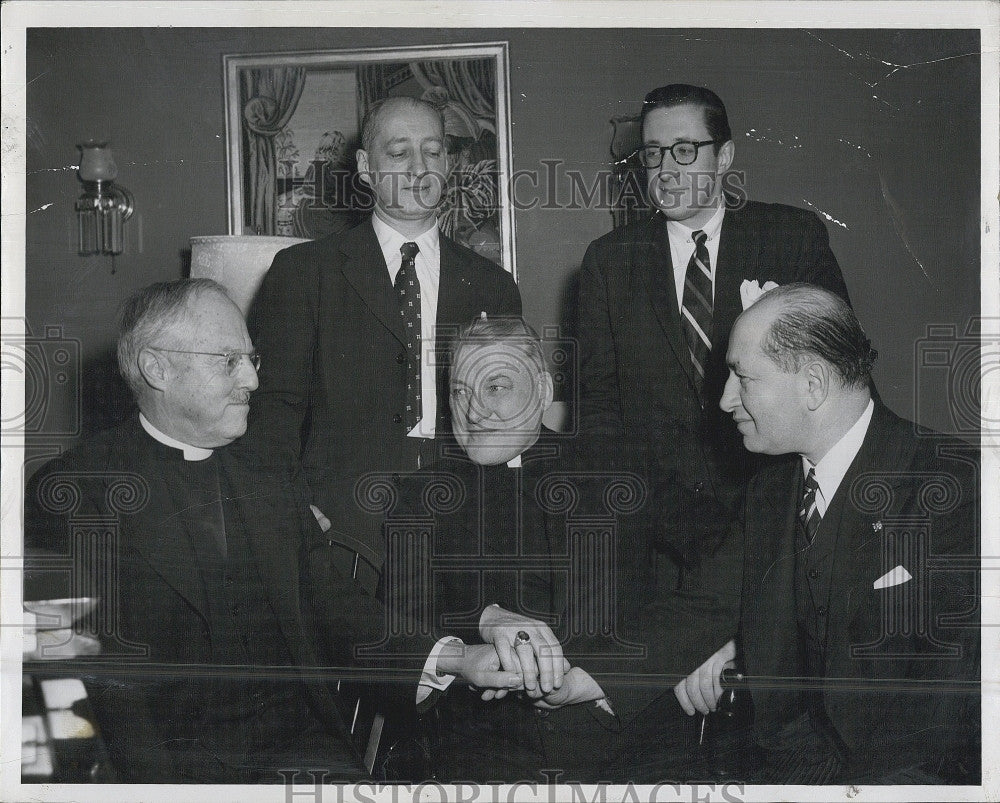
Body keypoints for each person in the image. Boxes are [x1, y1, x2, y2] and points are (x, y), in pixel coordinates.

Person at [23, 279, 525, 783]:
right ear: (158, 369)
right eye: (228, 361)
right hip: (161, 771)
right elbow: (70, 686)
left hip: (302, 754)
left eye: (252, 359)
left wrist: (458, 658)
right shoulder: (72, 492)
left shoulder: (266, 467)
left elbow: (333, 603)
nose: (253, 381)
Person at [391, 316, 740, 782]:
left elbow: (738, 558)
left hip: (634, 749)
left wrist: (720, 640)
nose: (473, 411)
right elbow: (390, 621)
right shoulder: (420, 494)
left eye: (495, 387)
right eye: (459, 391)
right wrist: (483, 618)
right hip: (483, 760)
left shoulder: (622, 468)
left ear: (541, 389)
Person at [694, 283, 979, 783]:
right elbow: (703, 602)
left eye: (741, 377)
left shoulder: (957, 486)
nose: (724, 400)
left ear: (813, 384)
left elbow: (947, 710)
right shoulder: (770, 491)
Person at [576, 83, 851, 578]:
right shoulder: (608, 261)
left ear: (724, 157)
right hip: (657, 533)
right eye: (654, 153)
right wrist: (656, 513)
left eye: (685, 150)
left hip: (778, 518)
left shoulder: (791, 238)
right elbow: (597, 409)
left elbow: (840, 375)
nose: (666, 170)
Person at [247, 96, 521, 592]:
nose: (420, 167)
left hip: (461, 531)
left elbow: (508, 419)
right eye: (398, 153)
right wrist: (297, 515)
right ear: (366, 168)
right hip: (340, 532)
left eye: (433, 151)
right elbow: (272, 415)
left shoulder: (493, 286)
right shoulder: (304, 272)